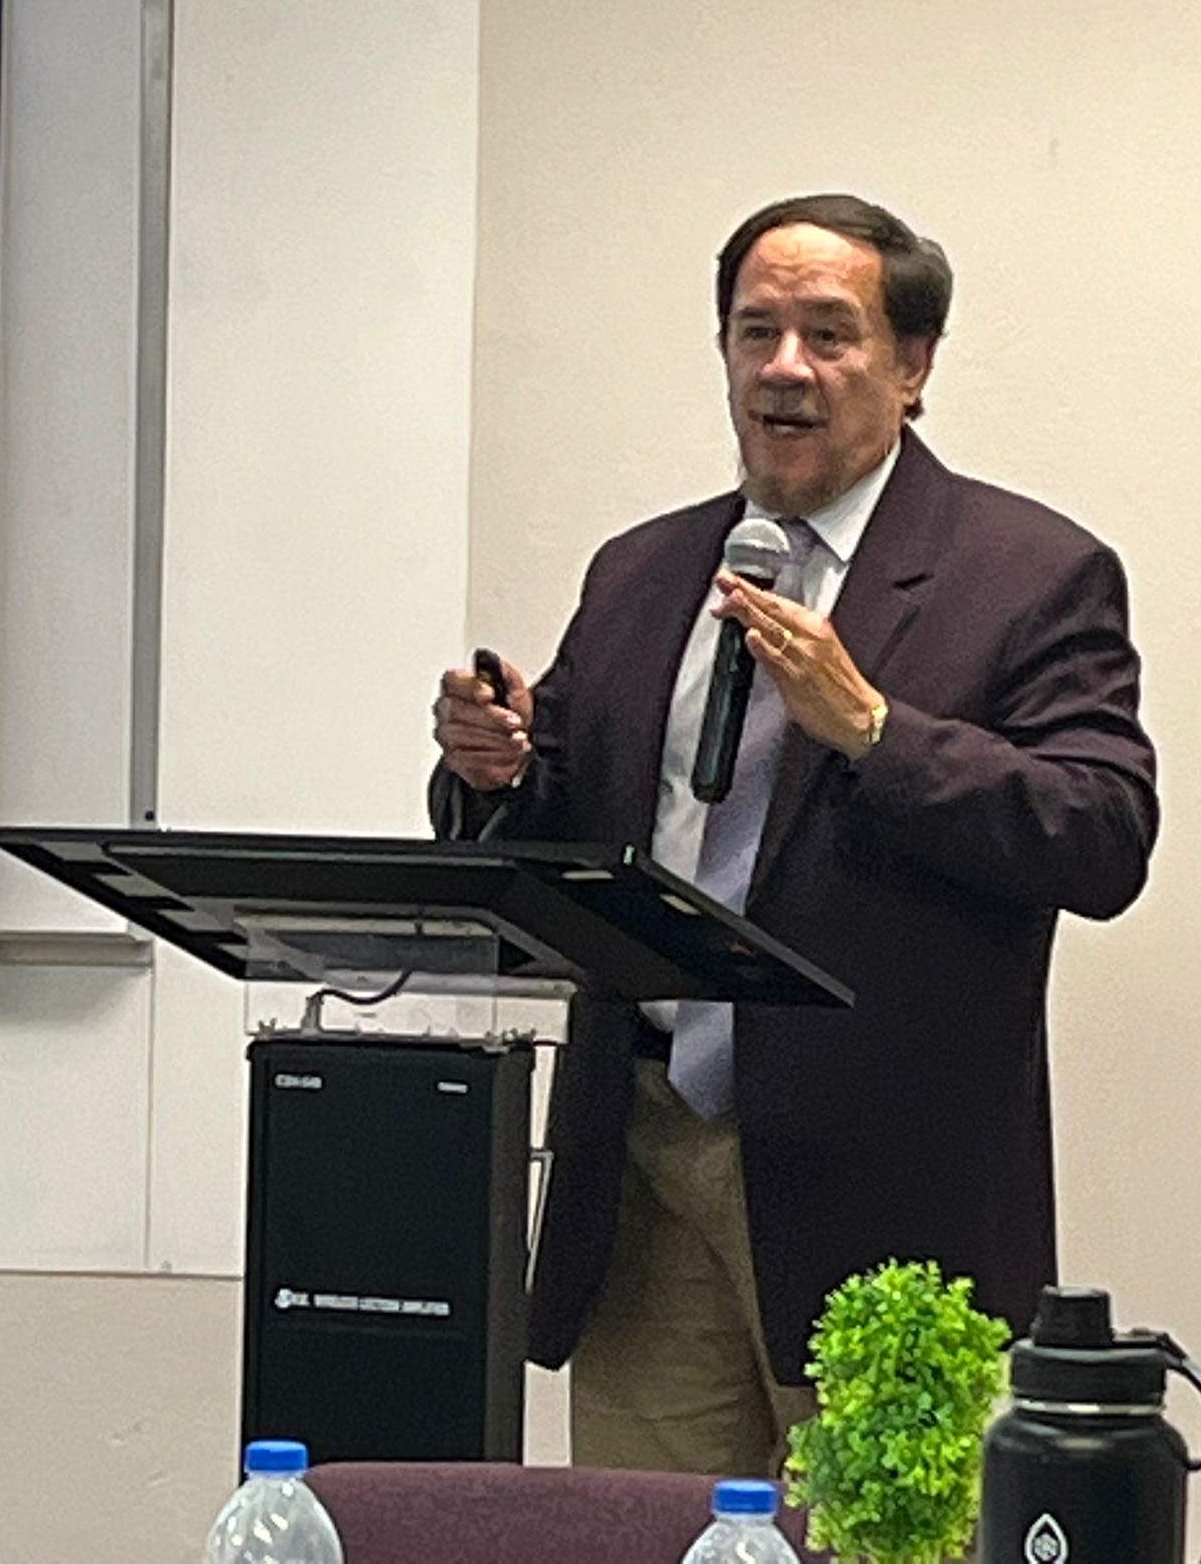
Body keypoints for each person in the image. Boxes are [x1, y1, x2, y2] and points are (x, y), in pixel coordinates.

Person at [430, 192, 1157, 1476]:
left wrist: (874, 729)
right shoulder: (642, 569)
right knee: (650, 1538)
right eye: (755, 330)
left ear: (912, 365)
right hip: (644, 1164)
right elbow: (566, 819)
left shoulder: (1029, 572)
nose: (785, 366)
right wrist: (498, 770)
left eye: (829, 333)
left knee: (883, 1545)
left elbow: (1100, 833)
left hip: (884, 1194)